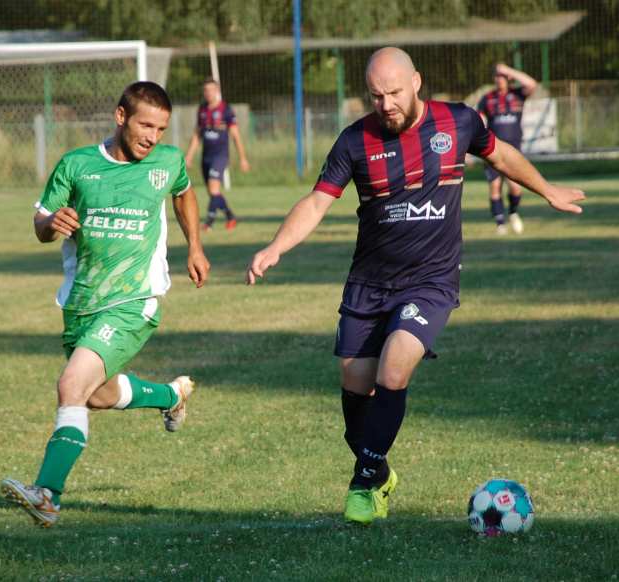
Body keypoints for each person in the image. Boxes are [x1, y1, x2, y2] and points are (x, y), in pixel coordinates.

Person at [246, 47, 584, 525]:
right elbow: (317, 202)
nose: (385, 104)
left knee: (394, 368)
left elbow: (501, 154)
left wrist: (547, 189)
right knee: (354, 384)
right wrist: (276, 246)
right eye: (376, 95)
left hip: (430, 280)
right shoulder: (354, 141)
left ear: (417, 82)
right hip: (369, 282)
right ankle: (380, 470)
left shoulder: (458, 122)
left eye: (394, 93)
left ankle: (363, 484)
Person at [1, 81, 210, 528]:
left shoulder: (167, 161)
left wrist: (195, 246)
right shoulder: (76, 165)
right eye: (145, 125)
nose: (153, 137)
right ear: (120, 117)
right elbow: (41, 222)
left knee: (71, 385)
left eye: (161, 128)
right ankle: (171, 395)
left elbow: (184, 191)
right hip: (82, 303)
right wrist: (50, 223)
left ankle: (47, 495)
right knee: (96, 395)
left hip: (136, 299)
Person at [477, 63, 538, 234]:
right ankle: (500, 223)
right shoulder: (487, 98)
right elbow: (479, 120)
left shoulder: (517, 95)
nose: (499, 79)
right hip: (492, 150)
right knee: (495, 186)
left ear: (508, 78)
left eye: (502, 76)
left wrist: (509, 70)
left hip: (514, 151)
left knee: (515, 187)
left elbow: (532, 84)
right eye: (497, 76)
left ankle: (513, 212)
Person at [184, 78, 249, 231]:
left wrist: (243, 158)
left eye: (211, 90)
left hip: (220, 156)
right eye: (206, 90)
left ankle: (209, 222)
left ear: (217, 91)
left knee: (214, 189)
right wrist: (189, 156)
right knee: (213, 192)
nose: (208, 93)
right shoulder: (202, 109)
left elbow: (235, 135)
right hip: (206, 156)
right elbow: (197, 135)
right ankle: (230, 216)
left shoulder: (226, 109)